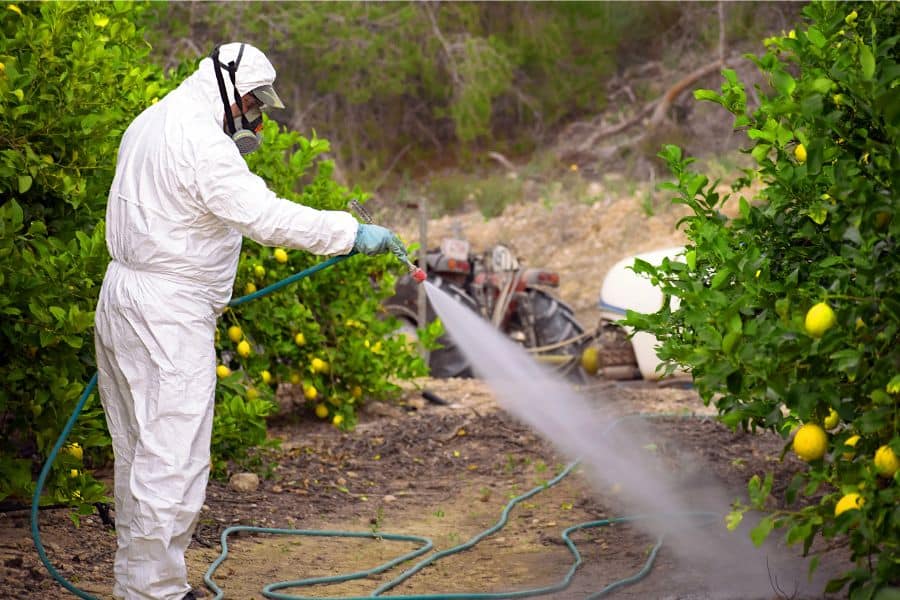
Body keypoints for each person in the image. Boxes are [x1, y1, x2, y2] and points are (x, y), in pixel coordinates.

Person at [93, 42, 405, 600]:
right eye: (253, 102)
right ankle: (155, 594)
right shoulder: (204, 143)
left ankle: (141, 584)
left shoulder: (150, 120)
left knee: (139, 451)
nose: (256, 115)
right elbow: (264, 216)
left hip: (124, 297)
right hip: (167, 312)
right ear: (227, 88)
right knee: (173, 456)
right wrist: (351, 234)